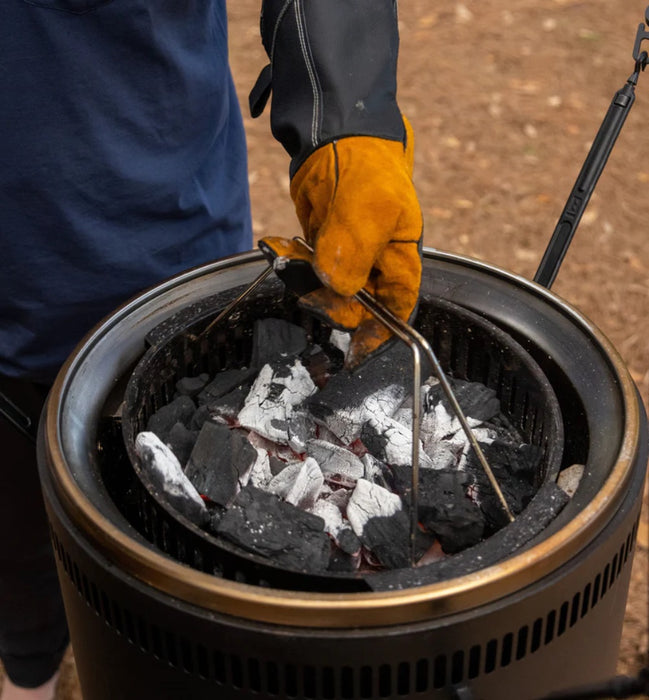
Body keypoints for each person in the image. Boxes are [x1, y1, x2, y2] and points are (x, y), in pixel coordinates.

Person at [0, 1, 422, 698]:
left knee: (181, 514)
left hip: (155, 225)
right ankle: (27, 665)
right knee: (12, 525)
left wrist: (342, 113)